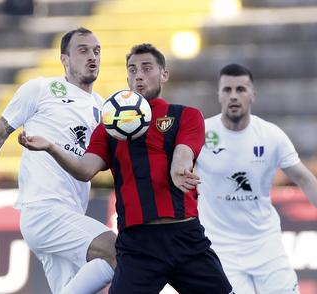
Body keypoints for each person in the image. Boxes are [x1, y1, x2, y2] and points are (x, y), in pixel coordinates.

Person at [18, 43, 233, 294]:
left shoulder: (185, 115)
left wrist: (179, 169)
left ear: (164, 74)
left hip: (185, 237)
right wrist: (52, 148)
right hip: (138, 246)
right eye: (132, 69)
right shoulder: (109, 126)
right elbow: (85, 169)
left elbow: (184, 153)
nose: (138, 75)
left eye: (146, 68)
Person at [0, 27, 116, 294]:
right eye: (83, 50)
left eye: (97, 51)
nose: (92, 56)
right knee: (115, 250)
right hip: (43, 209)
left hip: (72, 213)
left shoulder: (105, 109)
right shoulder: (41, 89)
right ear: (64, 59)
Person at [196, 63, 317, 294]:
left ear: (253, 95)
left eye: (241, 89)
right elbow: (175, 171)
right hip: (221, 249)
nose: (233, 96)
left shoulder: (271, 135)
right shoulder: (200, 133)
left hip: (265, 245)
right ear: (218, 95)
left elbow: (304, 179)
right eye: (227, 89)